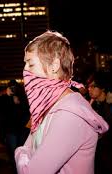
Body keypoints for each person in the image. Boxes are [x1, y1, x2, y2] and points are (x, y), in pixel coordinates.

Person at [14, 30, 109, 174]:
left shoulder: (69, 115)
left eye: (31, 64)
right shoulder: (48, 105)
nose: (25, 71)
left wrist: (19, 151)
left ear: (54, 65)